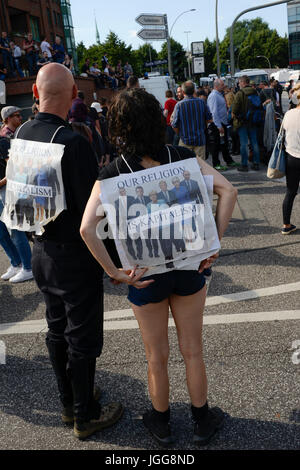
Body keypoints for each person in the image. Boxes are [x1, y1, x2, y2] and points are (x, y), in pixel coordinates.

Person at [80, 88, 237, 446]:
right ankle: (201, 419)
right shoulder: (181, 158)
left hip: (144, 275)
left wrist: (115, 272)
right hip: (188, 268)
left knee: (156, 355)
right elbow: (228, 191)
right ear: (158, 120)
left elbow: (87, 228)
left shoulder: (113, 172)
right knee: (192, 350)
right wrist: (213, 243)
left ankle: (162, 421)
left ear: (119, 126)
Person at [14, 63, 123, 440]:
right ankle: (85, 415)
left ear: (33, 92)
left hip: (40, 250)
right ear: (76, 95)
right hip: (75, 256)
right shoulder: (74, 143)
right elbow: (93, 213)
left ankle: (67, 401)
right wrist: (114, 261)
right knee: (82, 337)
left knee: (56, 328)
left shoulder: (23, 132)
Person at [0, 106, 34, 283]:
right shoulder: (6, 137)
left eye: (20, 115)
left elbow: (15, 168)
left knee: (15, 229)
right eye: (16, 115)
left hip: (10, 188)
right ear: (7, 118)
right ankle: (19, 263)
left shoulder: (10, 137)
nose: (20, 118)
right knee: (6, 231)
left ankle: (27, 266)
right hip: (7, 188)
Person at [172, 81, 212, 161]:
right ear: (194, 90)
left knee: (186, 167)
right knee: (201, 166)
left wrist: (180, 134)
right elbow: (209, 119)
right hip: (200, 139)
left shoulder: (179, 105)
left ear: (183, 92)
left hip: (185, 141)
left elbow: (174, 125)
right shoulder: (201, 102)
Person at [281, 82, 300, 235]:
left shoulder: (288, 114)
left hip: (291, 157)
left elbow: (282, 133)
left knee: (290, 192)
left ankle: (286, 224)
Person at [207, 78, 239, 171]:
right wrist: (219, 126)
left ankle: (228, 160)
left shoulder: (218, 94)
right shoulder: (214, 96)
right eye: (222, 85)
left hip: (222, 123)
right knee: (216, 145)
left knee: (224, 143)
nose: (224, 86)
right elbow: (214, 112)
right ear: (216, 86)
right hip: (217, 124)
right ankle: (216, 163)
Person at [231, 75, 261, 172]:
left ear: (243, 82)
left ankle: (244, 165)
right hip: (253, 121)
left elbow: (235, 109)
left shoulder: (240, 93)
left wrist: (234, 114)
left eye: (239, 83)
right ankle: (256, 163)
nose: (239, 85)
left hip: (242, 122)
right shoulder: (255, 92)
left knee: (243, 144)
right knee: (254, 143)